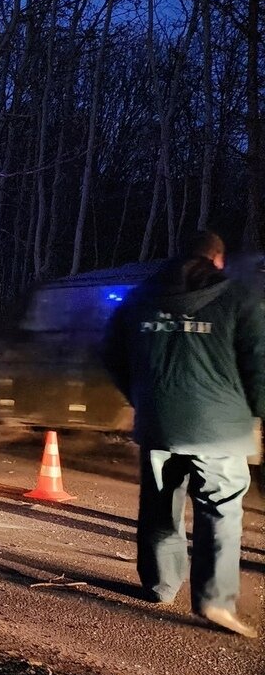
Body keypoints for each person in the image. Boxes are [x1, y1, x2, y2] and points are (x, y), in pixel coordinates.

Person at [101, 230, 265, 638]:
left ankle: (160, 585)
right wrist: (258, 416)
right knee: (222, 509)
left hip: (159, 424)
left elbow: (110, 354)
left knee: (160, 505)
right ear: (218, 259)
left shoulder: (139, 298)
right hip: (221, 429)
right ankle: (214, 599)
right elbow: (259, 364)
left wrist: (141, 400)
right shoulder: (240, 297)